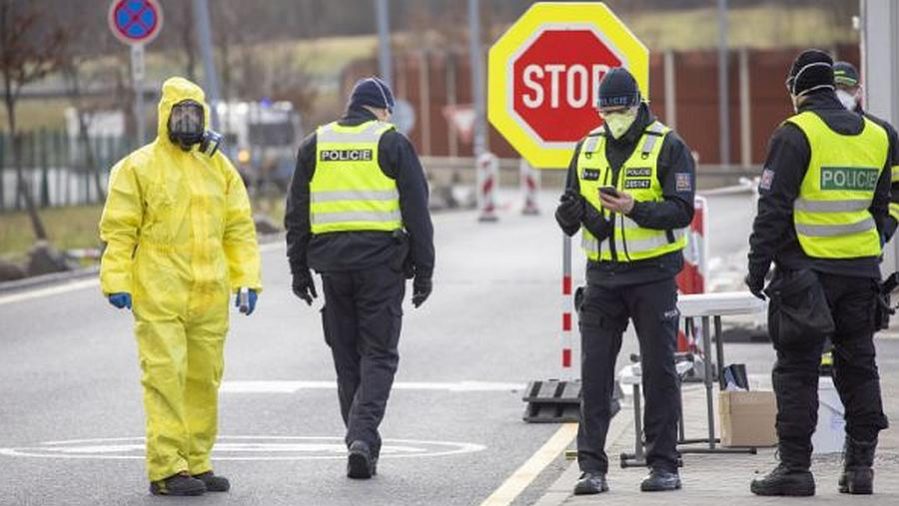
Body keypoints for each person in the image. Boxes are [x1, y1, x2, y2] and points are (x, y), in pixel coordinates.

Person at [99, 77, 262, 496]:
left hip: (209, 295)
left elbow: (239, 229)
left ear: (204, 117)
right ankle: (167, 469)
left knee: (203, 379)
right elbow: (119, 231)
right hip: (159, 293)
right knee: (165, 376)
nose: (187, 121)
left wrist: (247, 278)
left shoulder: (218, 168)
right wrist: (116, 277)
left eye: (195, 113)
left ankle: (197, 462)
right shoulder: (138, 167)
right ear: (164, 117)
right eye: (180, 113)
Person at [746, 49, 890, 496]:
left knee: (796, 370)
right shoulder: (880, 135)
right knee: (859, 366)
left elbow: (772, 207)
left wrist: (756, 266)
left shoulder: (794, 134)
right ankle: (860, 468)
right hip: (862, 273)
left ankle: (794, 468)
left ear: (796, 89)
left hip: (805, 273)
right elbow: (882, 209)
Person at [284, 76, 435, 479]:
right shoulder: (392, 142)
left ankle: (358, 437)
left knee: (347, 356)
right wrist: (424, 271)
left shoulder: (315, 144)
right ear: (382, 109)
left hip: (332, 268)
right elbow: (417, 211)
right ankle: (362, 437)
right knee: (380, 354)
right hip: (381, 267)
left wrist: (298, 269)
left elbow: (297, 213)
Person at [555, 67, 695, 495]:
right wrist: (573, 216)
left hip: (653, 277)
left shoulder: (668, 146)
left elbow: (681, 210)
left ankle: (664, 465)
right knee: (594, 376)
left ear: (637, 105)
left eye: (619, 110)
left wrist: (634, 208)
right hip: (602, 280)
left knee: (659, 372)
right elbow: (577, 213)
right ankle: (591, 469)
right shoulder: (588, 147)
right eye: (605, 111)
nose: (612, 117)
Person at [834, 60, 899, 238]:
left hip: (865, 246)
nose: (840, 94)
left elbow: (897, 187)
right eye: (835, 88)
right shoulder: (811, 130)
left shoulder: (883, 132)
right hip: (818, 248)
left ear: (858, 91)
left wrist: (885, 230)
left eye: (846, 88)